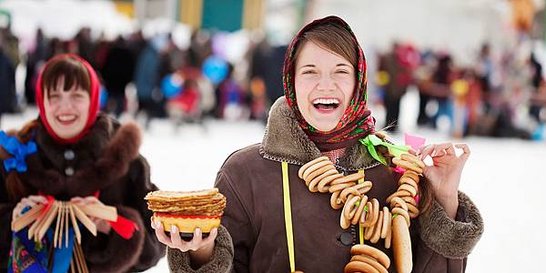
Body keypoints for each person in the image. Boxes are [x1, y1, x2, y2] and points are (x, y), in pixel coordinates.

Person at [153, 16, 483, 272]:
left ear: (359, 83)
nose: (325, 85)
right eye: (310, 71)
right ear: (291, 83)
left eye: (341, 71)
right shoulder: (244, 173)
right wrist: (199, 251)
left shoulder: (397, 172)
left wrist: (444, 197)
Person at [0, 54, 165, 272]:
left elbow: (157, 243)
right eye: (55, 96)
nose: (65, 107)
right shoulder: (14, 156)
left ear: (93, 99)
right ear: (42, 100)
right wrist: (15, 218)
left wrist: (113, 223)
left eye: (76, 95)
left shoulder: (126, 160)